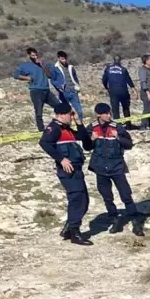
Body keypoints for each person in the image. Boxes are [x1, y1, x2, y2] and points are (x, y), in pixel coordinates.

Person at [39, 99, 94, 245]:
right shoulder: (54, 128)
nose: (72, 116)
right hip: (68, 171)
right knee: (77, 200)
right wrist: (61, 159)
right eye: (70, 114)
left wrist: (79, 122)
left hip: (76, 169)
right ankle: (75, 233)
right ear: (62, 115)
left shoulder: (66, 129)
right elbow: (44, 143)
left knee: (84, 200)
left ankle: (69, 228)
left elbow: (83, 138)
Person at [88, 102, 139, 233]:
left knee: (126, 194)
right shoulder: (92, 128)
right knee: (106, 196)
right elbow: (86, 147)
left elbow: (129, 144)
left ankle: (136, 222)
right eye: (106, 113)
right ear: (99, 115)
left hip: (116, 166)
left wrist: (118, 137)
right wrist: (91, 140)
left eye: (109, 113)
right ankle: (115, 221)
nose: (109, 115)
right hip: (100, 168)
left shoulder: (117, 127)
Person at [16, 47, 59, 132]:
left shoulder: (43, 63)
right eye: (33, 55)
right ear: (29, 56)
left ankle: (60, 124)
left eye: (36, 55)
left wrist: (43, 66)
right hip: (36, 91)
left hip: (46, 90)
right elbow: (16, 75)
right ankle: (41, 129)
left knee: (58, 106)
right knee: (39, 111)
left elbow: (50, 75)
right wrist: (26, 78)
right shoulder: (25, 66)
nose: (35, 57)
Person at [100, 55, 136, 123]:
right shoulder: (123, 69)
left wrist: (106, 87)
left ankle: (117, 125)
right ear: (120, 61)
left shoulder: (108, 69)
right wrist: (134, 90)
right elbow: (129, 80)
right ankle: (128, 124)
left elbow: (104, 79)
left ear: (113, 60)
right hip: (123, 90)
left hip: (113, 91)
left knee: (115, 109)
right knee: (125, 108)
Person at [50, 51, 82, 122]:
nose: (64, 60)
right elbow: (53, 80)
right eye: (62, 58)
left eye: (65, 58)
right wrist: (59, 87)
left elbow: (75, 77)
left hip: (73, 92)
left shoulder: (70, 67)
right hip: (64, 92)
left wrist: (77, 86)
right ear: (58, 58)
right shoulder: (55, 68)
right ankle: (67, 126)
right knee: (65, 112)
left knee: (79, 111)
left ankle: (80, 125)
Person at [137, 55, 150, 131]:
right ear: (147, 61)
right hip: (146, 94)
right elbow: (143, 83)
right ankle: (143, 126)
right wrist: (148, 94)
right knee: (147, 110)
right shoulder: (143, 70)